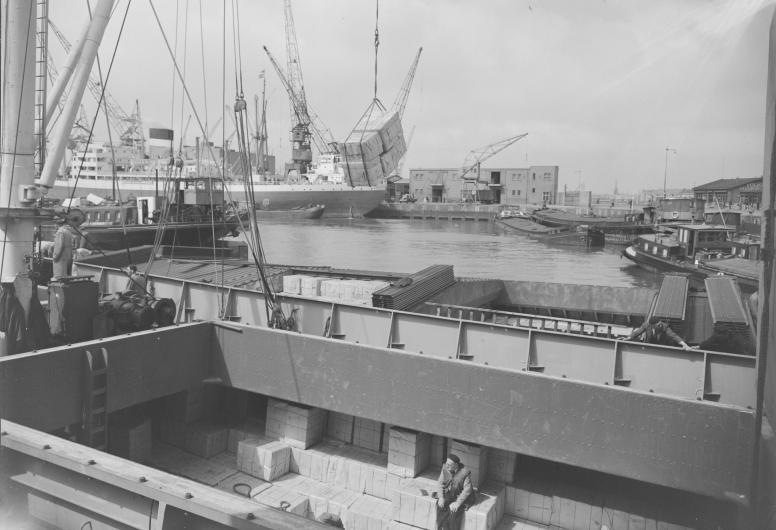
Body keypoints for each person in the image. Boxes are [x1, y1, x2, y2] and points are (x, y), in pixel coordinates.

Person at [435, 454, 472, 530]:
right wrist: (441, 497)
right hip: (449, 493)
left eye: (449, 465)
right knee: (440, 505)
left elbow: (467, 490)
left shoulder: (465, 472)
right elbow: (440, 483)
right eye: (446, 463)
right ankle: (440, 528)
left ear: (456, 465)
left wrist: (458, 503)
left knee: (454, 512)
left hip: (459, 496)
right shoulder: (445, 468)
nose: (447, 466)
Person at [626, 318, 693, 350]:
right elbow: (637, 332)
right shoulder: (646, 325)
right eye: (658, 325)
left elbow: (674, 336)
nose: (660, 325)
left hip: (660, 348)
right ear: (652, 325)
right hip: (648, 346)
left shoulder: (665, 327)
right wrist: (628, 338)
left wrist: (684, 344)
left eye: (660, 323)